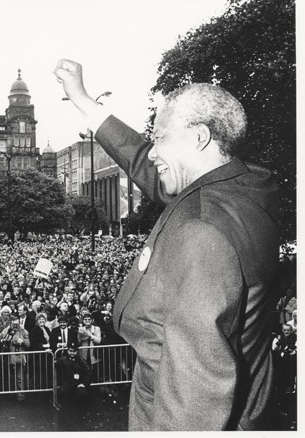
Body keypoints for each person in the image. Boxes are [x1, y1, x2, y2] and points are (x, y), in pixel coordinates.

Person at [54, 59, 280, 430]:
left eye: (159, 137)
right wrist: (82, 99)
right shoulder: (248, 184)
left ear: (198, 137)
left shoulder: (203, 231)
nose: (153, 150)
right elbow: (146, 164)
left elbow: (194, 393)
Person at [0, 315, 30, 403]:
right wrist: (5, 336)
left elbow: (28, 343)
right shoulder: (7, 330)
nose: (15, 326)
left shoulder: (23, 331)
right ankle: (11, 395)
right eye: (14, 324)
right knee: (11, 377)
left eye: (17, 324)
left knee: (20, 377)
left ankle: (20, 397)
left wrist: (23, 341)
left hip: (20, 356)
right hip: (9, 357)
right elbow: (0, 338)